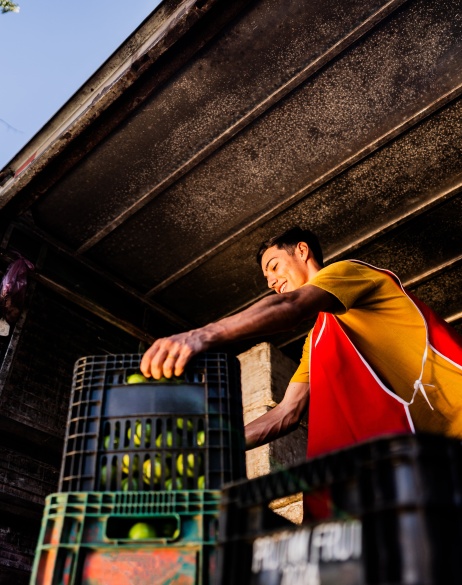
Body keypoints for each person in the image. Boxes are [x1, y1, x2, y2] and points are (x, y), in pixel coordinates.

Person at [140, 226, 462, 457]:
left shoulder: (346, 272)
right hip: (430, 457)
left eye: (274, 267)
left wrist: (201, 335)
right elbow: (286, 413)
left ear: (303, 251)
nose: (272, 281)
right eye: (267, 279)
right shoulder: (318, 340)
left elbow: (290, 308)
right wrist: (213, 441)